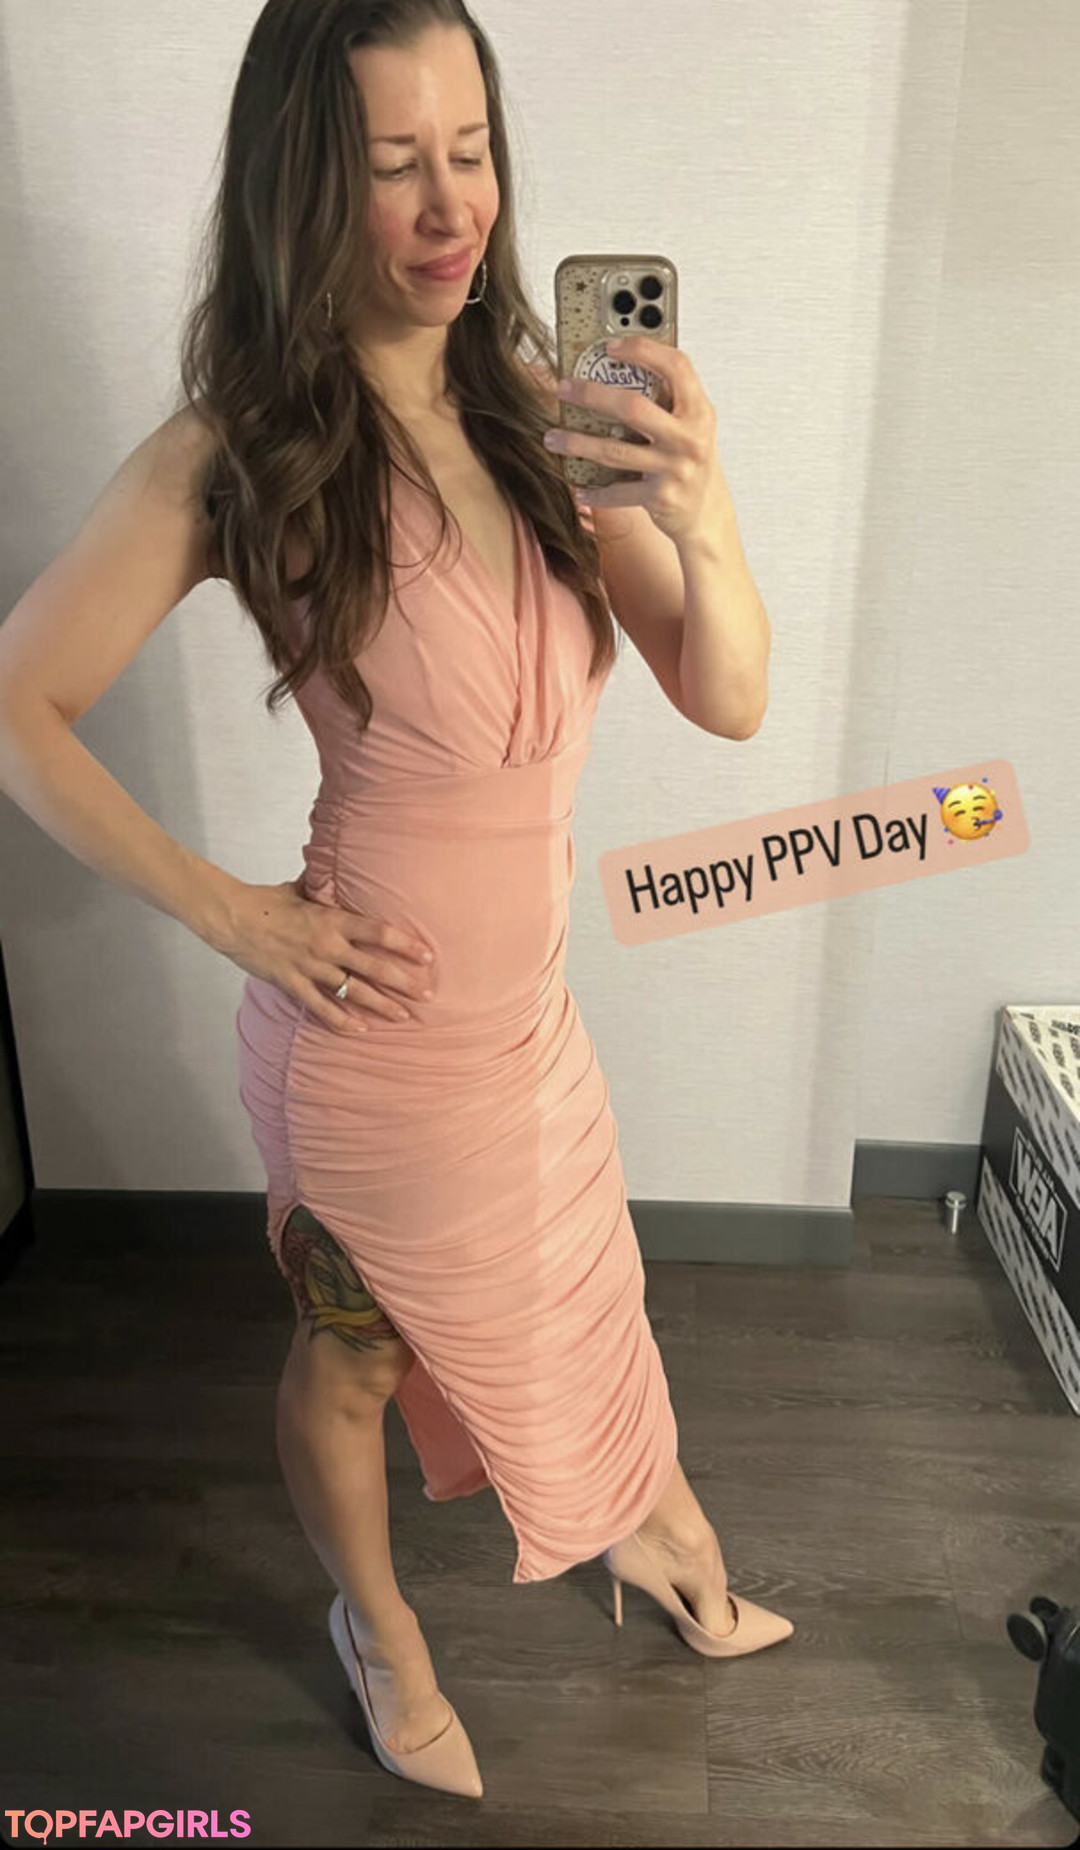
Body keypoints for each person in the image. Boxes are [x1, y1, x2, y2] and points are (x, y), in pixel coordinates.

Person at [0, 0, 791, 1806]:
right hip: (371, 1040)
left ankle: (649, 1518)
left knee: (587, 1280)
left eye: (473, 152)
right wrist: (229, 910)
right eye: (394, 167)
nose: (454, 211)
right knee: (353, 1363)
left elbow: (729, 693)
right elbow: (14, 702)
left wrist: (705, 509)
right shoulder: (244, 451)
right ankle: (380, 1627)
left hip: (527, 1023)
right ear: (303, 185)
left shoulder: (541, 410)